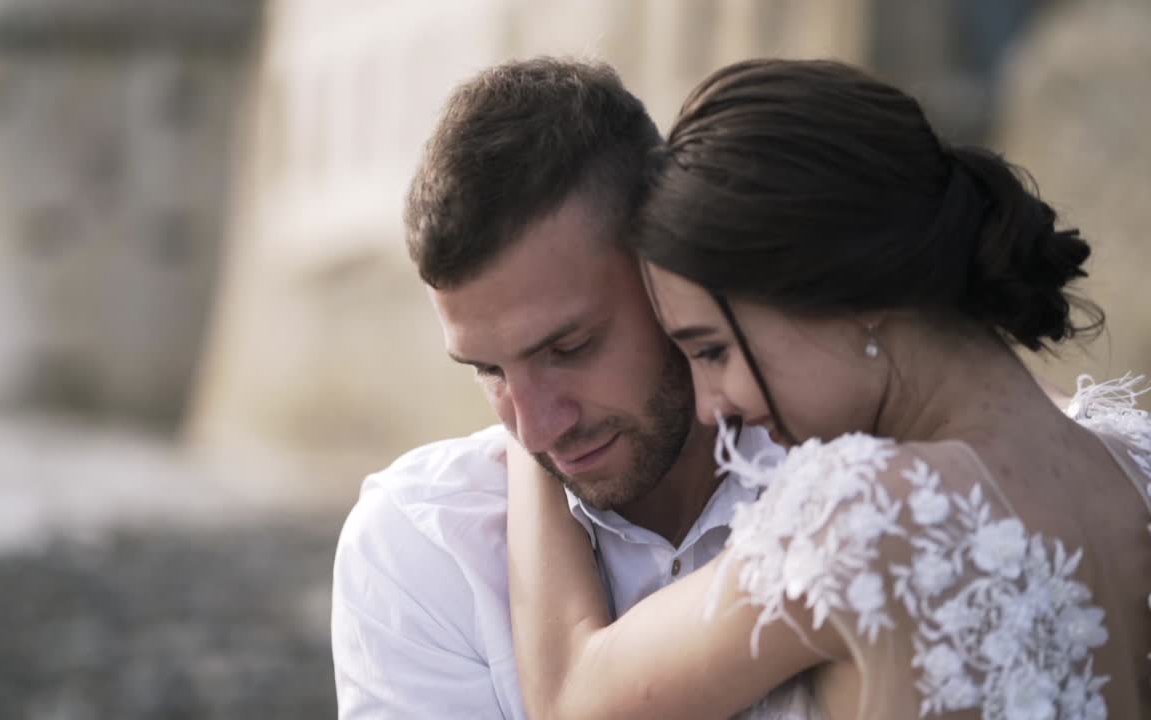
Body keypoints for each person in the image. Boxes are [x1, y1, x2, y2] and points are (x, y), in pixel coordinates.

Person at [507, 58, 1151, 720]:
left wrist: (532, 428)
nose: (710, 403)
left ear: (849, 292)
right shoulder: (1135, 466)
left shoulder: (868, 512)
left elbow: (572, 701)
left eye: (713, 350)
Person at [329, 58, 777, 719]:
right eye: (488, 371)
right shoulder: (420, 547)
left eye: (567, 350)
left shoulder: (842, 481)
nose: (535, 430)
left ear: (671, 273)